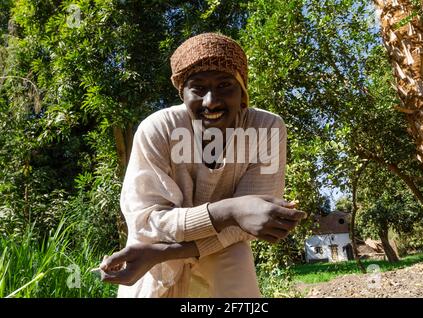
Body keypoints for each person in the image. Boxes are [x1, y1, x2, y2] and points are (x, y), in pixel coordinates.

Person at [100, 32, 305, 297]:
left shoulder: (267, 129)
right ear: (182, 93)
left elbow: (250, 223)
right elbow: (148, 223)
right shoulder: (158, 129)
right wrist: (231, 209)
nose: (211, 101)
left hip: (215, 250)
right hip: (150, 253)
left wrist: (165, 252)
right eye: (198, 88)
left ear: (242, 91)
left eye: (225, 85)